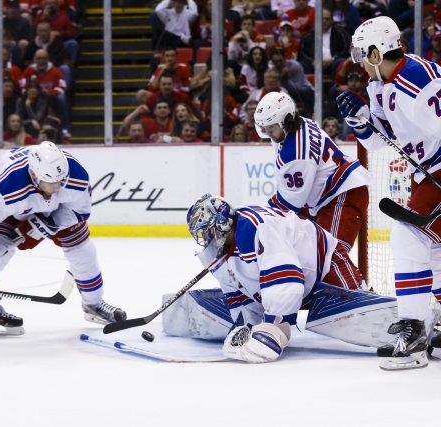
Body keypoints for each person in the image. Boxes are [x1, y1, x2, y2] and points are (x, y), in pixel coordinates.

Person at [0, 141, 126, 344]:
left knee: (83, 250)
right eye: (51, 183)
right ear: (35, 175)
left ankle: (94, 304)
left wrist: (47, 223)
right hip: (15, 210)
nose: (57, 187)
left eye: (60, 181)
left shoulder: (74, 175)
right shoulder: (5, 186)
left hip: (58, 209)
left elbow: (80, 211)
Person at [336, 16, 441, 370]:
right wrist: (360, 120)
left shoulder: (420, 81)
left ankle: (412, 333)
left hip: (438, 171)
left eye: (362, 55)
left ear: (377, 52)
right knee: (434, 250)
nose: (359, 62)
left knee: (408, 236)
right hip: (425, 176)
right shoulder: (379, 84)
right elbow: (378, 143)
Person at [185, 194, 365, 363]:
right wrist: (246, 325)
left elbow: (286, 279)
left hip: (323, 260)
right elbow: (236, 290)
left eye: (208, 232)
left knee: (359, 313)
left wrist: (274, 327)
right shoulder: (223, 247)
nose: (206, 239)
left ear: (223, 224)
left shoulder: (254, 229)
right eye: (202, 234)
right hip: (299, 272)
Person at [255, 92, 371, 253]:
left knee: (329, 258)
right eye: (264, 127)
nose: (267, 132)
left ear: (284, 121)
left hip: (342, 196)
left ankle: (354, 280)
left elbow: (289, 203)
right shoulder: (299, 123)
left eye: (271, 126)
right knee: (306, 255)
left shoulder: (295, 152)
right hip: (328, 197)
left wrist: (255, 219)